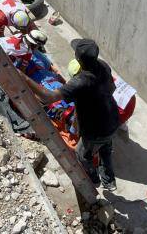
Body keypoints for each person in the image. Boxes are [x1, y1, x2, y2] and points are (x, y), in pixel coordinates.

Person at [24, 38, 120, 191]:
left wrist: (24, 77)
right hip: (113, 119)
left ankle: (94, 181)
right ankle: (109, 181)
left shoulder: (80, 81)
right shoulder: (103, 66)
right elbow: (112, 88)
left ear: (78, 59)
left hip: (95, 130)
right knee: (106, 149)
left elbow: (48, 98)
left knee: (82, 155)